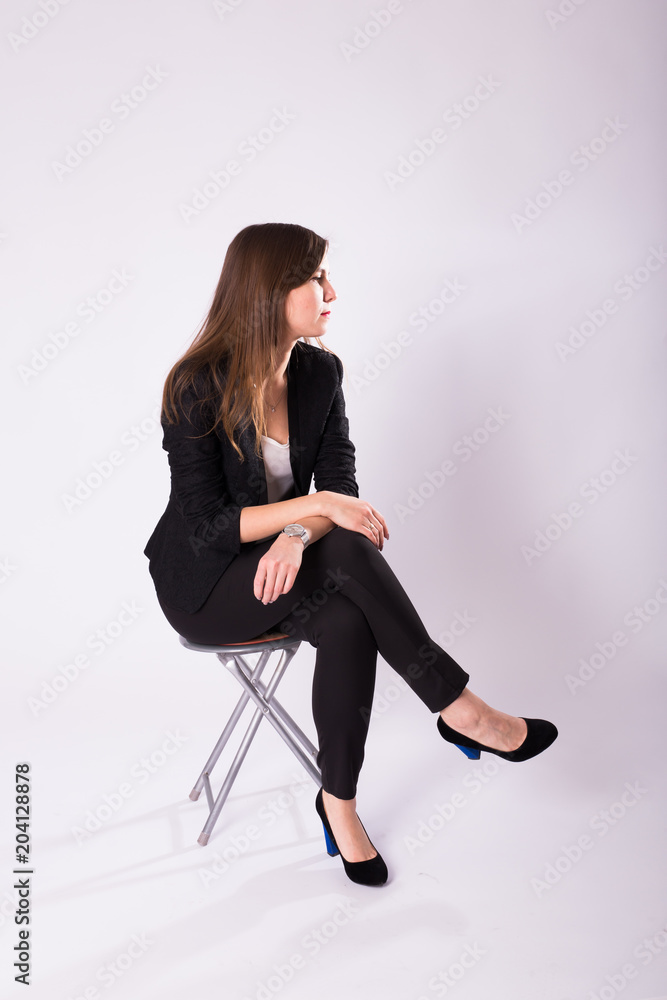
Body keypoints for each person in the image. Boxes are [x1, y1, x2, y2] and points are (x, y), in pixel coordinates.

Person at [143, 222, 558, 888]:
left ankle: (337, 803)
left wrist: (299, 529)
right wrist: (323, 513)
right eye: (315, 278)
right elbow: (206, 527)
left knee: (342, 615)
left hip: (288, 563)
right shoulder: (196, 385)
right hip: (205, 586)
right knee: (343, 535)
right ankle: (463, 712)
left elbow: (339, 483)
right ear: (269, 293)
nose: (330, 291)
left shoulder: (319, 371)